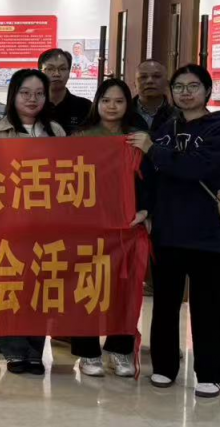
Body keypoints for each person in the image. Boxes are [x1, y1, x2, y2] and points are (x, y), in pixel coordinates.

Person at [129, 64, 220, 398]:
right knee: (165, 304)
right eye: (179, 87)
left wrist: (154, 149)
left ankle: (211, 373)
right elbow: (149, 174)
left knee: (209, 306)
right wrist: (146, 208)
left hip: (208, 233)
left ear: (207, 90)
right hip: (168, 230)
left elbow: (197, 167)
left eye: (193, 86)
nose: (185, 93)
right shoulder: (165, 128)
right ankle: (163, 367)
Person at [0, 69, 66, 375]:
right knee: (10, 283)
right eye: (25, 93)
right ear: (13, 95)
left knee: (40, 286)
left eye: (39, 93)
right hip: (7, 221)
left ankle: (35, 351)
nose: (32, 99)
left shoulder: (55, 131)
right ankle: (14, 351)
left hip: (47, 221)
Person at [68, 78, 141, 378]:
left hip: (127, 224)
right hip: (88, 223)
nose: (112, 106)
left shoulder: (137, 138)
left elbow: (149, 179)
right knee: (86, 284)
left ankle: (120, 349)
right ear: (97, 103)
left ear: (127, 105)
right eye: (106, 100)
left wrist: (145, 210)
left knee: (123, 288)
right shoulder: (80, 137)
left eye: (119, 101)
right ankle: (88, 353)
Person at [39, 48, 92, 135]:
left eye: (62, 69)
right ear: (40, 73)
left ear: (69, 72)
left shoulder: (85, 107)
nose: (56, 74)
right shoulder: (33, 106)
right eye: (50, 69)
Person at [133, 60, 179, 132]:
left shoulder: (178, 116)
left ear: (167, 83)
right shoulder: (124, 114)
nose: (150, 81)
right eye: (143, 77)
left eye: (156, 76)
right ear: (135, 85)